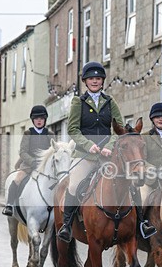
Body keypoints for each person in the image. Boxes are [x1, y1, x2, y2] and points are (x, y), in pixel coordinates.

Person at [57, 61, 154, 243]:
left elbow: (120, 128)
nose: (95, 81)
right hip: (85, 155)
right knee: (74, 185)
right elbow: (73, 129)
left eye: (98, 78)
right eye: (91, 79)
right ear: (85, 81)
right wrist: (88, 145)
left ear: (102, 81)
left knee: (131, 184)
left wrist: (109, 145)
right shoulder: (78, 102)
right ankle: (67, 225)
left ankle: (142, 223)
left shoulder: (110, 102)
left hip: (108, 155)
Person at [2, 104, 52, 216]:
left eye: (41, 118)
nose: (39, 121)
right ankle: (9, 205)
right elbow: (23, 152)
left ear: (45, 119)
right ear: (33, 120)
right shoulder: (28, 133)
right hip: (28, 165)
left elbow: (53, 151)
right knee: (17, 180)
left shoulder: (50, 134)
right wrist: (33, 161)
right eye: (36, 118)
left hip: (45, 167)